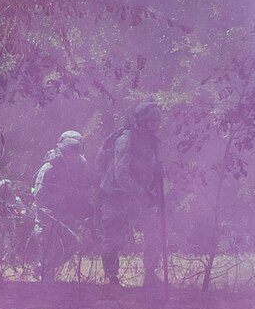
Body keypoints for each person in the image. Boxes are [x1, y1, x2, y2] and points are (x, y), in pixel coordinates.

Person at [94, 101, 166, 288]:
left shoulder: (152, 141)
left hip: (140, 194)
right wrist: (142, 194)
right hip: (116, 194)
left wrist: (158, 175)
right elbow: (121, 175)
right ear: (141, 122)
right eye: (152, 123)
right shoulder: (124, 140)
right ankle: (112, 278)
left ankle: (150, 275)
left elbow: (149, 169)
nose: (156, 127)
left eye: (157, 123)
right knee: (112, 236)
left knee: (154, 230)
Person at [30, 130, 93, 282]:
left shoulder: (82, 164)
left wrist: (82, 204)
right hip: (47, 212)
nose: (71, 153)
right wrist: (61, 198)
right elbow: (38, 193)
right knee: (48, 245)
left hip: (68, 212)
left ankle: (43, 267)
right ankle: (45, 278)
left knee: (72, 243)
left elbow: (84, 188)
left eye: (75, 150)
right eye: (68, 150)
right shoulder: (50, 166)